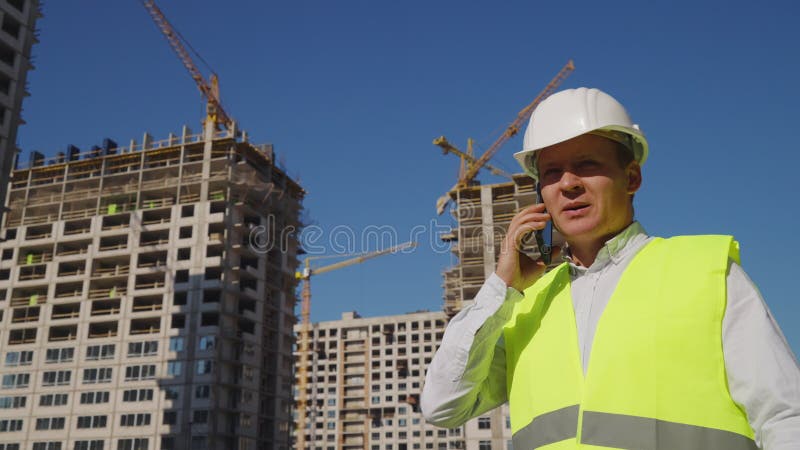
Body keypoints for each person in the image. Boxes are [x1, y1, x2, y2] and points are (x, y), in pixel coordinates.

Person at [420, 87, 800, 449]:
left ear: (631, 177)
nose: (568, 183)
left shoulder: (705, 272)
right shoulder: (524, 304)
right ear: (541, 196)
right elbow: (442, 405)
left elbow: (786, 417)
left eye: (586, 164)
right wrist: (501, 287)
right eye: (551, 173)